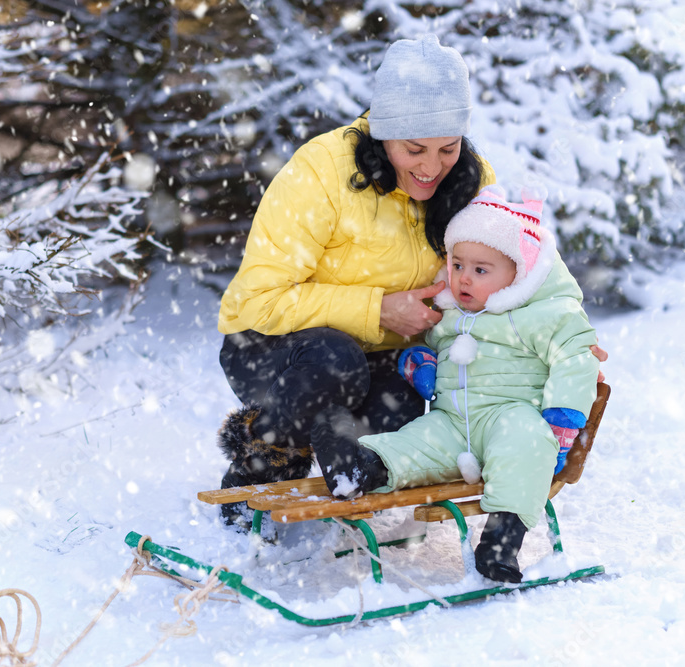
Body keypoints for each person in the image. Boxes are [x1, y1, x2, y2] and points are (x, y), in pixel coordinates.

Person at [213, 34, 497, 528]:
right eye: (414, 149)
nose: (431, 167)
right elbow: (252, 302)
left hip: (382, 359)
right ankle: (261, 462)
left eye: (447, 148)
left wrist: (563, 333)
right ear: (383, 133)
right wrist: (377, 309)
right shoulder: (321, 173)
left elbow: (518, 265)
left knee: (400, 415)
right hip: (272, 348)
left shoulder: (470, 180)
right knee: (333, 361)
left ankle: (333, 441)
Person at [311, 184, 600, 584]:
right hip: (451, 422)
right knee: (412, 442)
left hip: (510, 416)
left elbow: (575, 359)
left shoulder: (545, 314)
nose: (464, 278)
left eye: (481, 270)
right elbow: (431, 346)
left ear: (521, 272)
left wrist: (562, 419)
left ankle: (501, 543)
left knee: (525, 444)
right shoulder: (450, 312)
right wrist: (420, 361)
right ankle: (359, 468)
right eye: (458, 264)